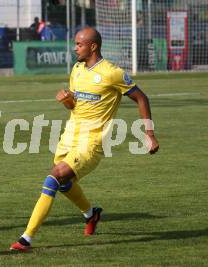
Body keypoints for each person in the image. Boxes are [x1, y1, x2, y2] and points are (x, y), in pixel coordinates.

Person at [10, 27, 159, 252]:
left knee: (53, 178)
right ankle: (91, 214)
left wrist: (149, 134)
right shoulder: (77, 69)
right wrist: (67, 100)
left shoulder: (112, 73)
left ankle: (26, 239)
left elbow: (141, 98)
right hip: (69, 136)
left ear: (93, 46)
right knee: (64, 184)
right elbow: (75, 105)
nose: (74, 48)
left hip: (92, 142)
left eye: (79, 44)